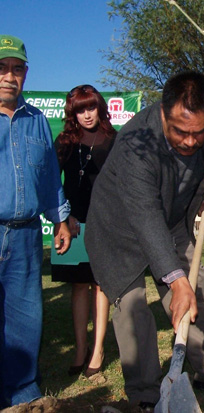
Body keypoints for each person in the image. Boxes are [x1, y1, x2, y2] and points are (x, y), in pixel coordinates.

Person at [85, 71, 204, 411]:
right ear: (163, 113)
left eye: (198, 133)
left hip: (172, 224)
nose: (190, 142)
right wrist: (175, 281)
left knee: (197, 297)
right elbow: (144, 214)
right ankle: (146, 394)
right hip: (118, 230)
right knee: (133, 313)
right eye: (180, 131)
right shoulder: (137, 141)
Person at [0, 34, 71, 408]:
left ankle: (22, 397)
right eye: (1, 67)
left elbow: (47, 177)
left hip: (26, 235)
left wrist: (60, 220)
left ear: (25, 74)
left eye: (17, 69)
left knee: (25, 318)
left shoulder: (37, 120)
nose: (9, 76)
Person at [53, 84, 116, 378]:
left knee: (100, 286)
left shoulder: (113, 139)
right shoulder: (64, 141)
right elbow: (53, 184)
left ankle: (97, 350)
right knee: (78, 287)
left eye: (90, 107)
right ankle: (80, 349)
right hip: (73, 224)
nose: (86, 114)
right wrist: (65, 218)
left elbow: (121, 185)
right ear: (72, 113)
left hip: (104, 223)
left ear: (99, 107)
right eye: (80, 109)